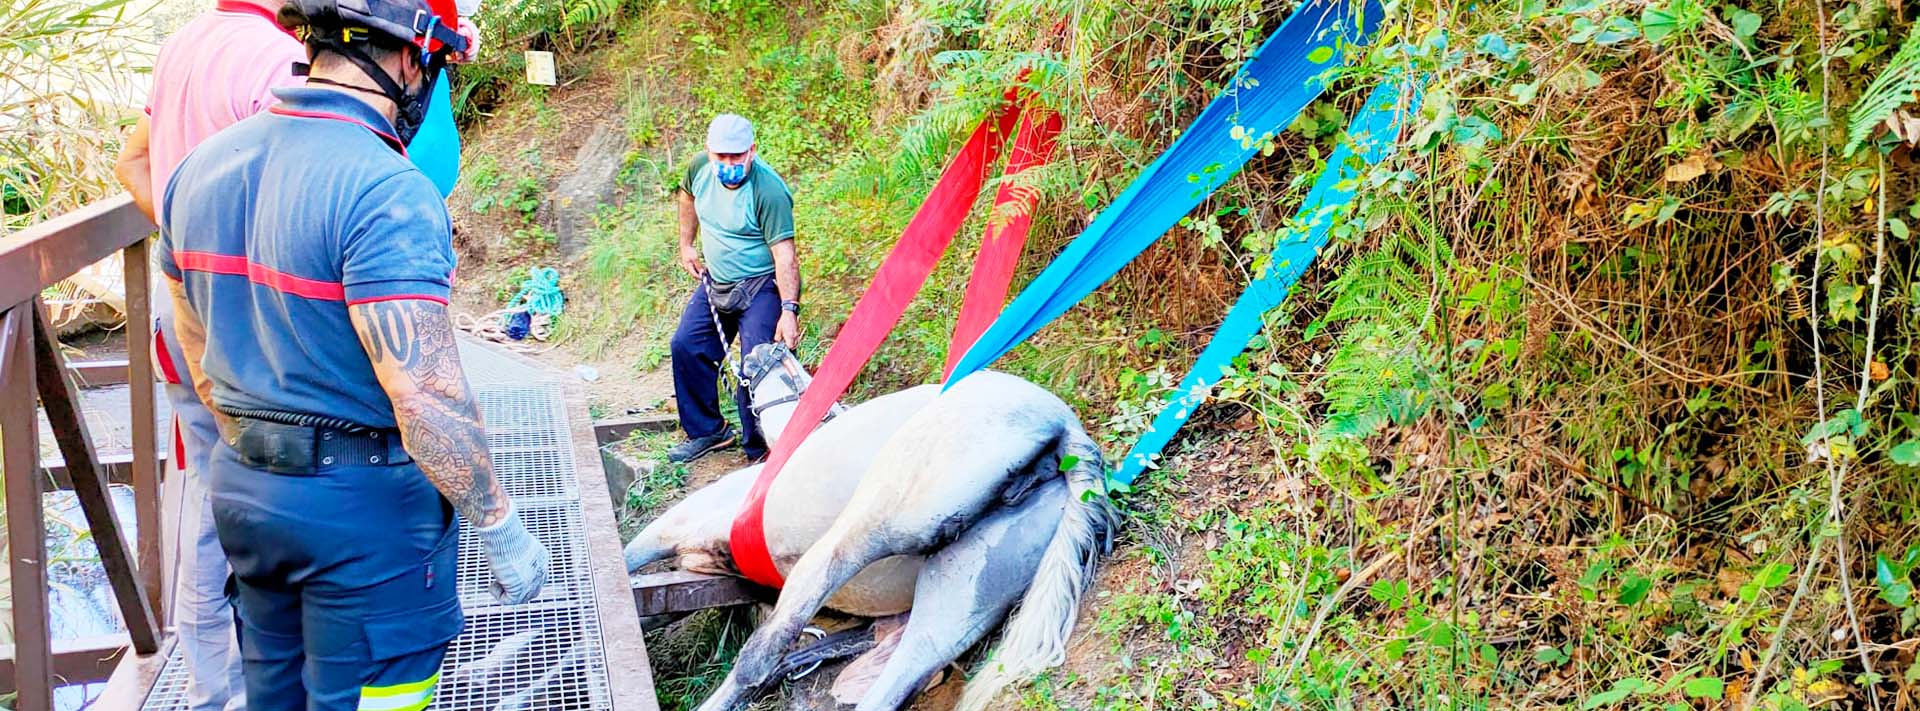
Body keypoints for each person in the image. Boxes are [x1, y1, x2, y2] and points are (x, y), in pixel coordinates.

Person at [155, 0, 549, 707]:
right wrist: (499, 522)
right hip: (365, 521)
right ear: (408, 59)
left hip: (245, 496)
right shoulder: (386, 190)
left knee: (274, 693)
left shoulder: (200, 170)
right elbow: (425, 395)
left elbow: (195, 349)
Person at [112, 2, 306, 708]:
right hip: (249, 315)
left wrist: (184, 234)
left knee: (204, 492)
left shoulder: (182, 46)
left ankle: (207, 687)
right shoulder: (275, 57)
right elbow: (304, 186)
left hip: (178, 301)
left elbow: (131, 158)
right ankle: (285, 676)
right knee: (291, 483)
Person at [667, 114, 802, 464]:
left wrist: (789, 310)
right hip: (718, 281)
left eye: (736, 156)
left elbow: (784, 254)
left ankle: (760, 451)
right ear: (709, 152)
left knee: (757, 364)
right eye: (721, 157)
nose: (728, 164)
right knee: (686, 346)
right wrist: (686, 245)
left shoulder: (768, 190)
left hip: (761, 286)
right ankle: (708, 431)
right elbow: (687, 198)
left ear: (751, 151)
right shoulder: (699, 169)